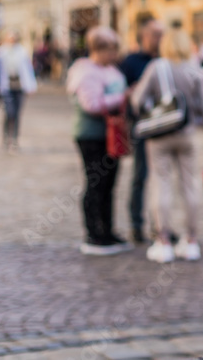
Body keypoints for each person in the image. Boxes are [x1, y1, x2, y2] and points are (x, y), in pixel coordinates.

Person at [130, 27, 203, 263]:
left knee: (161, 184)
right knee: (190, 185)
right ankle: (191, 241)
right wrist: (191, 116)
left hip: (159, 136)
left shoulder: (156, 67)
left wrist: (154, 110)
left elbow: (137, 101)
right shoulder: (195, 69)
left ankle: (163, 242)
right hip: (187, 135)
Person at [66, 27, 131, 256]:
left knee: (109, 184)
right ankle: (94, 233)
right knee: (96, 183)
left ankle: (107, 230)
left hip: (111, 136)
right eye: (112, 50)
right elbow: (91, 105)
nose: (115, 55)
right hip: (92, 135)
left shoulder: (110, 69)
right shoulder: (85, 72)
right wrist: (122, 97)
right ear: (100, 49)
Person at [119, 16, 165, 244]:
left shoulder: (167, 59)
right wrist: (132, 92)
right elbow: (122, 93)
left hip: (166, 127)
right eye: (156, 35)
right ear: (144, 36)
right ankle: (136, 225)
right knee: (140, 176)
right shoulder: (130, 61)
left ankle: (161, 226)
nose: (160, 39)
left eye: (162, 35)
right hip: (141, 127)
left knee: (162, 180)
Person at [0, 30, 38, 153]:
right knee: (9, 112)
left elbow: (28, 70)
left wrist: (31, 85)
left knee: (17, 114)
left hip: (19, 87)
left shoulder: (22, 52)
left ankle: (14, 139)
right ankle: (6, 137)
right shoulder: (0, 53)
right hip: (6, 86)